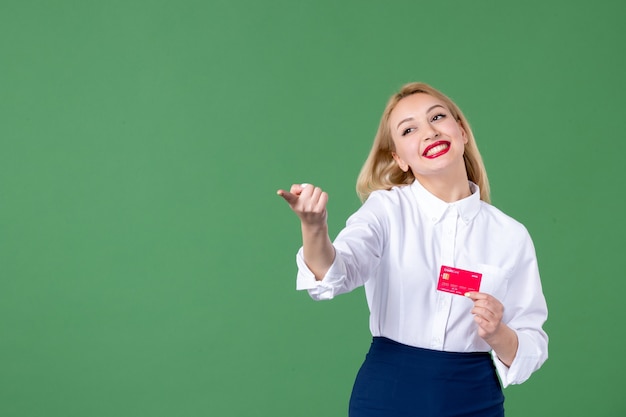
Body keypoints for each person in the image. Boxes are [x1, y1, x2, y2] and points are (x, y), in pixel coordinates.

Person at [276, 82, 548, 417]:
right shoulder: (385, 211)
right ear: (399, 159)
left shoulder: (510, 235)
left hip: (475, 398)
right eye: (409, 129)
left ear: (462, 132)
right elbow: (337, 273)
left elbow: (532, 343)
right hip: (388, 394)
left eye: (438, 117)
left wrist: (497, 332)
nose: (429, 132)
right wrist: (314, 228)